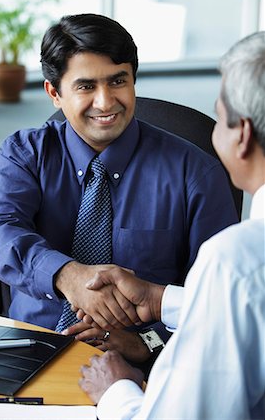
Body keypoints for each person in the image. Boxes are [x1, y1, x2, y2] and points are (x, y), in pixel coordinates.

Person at [0, 14, 238, 371]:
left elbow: (218, 299)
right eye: (86, 86)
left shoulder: (196, 172)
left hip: (144, 361)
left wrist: (147, 342)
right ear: (55, 93)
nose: (105, 102)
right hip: (29, 345)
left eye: (118, 81)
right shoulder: (26, 153)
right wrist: (68, 276)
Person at [78, 31, 265, 419]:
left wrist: (115, 390)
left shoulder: (234, 260)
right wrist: (160, 298)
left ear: (242, 136)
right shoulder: (242, 269)